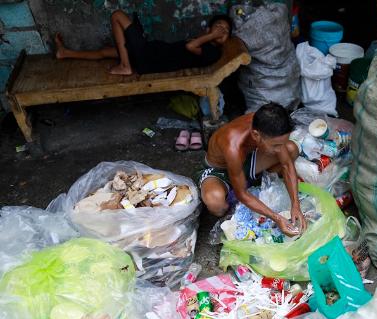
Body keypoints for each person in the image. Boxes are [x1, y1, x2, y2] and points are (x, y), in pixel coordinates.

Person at [199, 103, 307, 237]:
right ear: (256, 135)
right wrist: (277, 218)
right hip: (221, 169)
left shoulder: (266, 124)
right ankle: (242, 188)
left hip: (247, 162)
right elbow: (242, 194)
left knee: (291, 149)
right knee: (216, 203)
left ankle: (253, 182)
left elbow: (286, 164)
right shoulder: (233, 145)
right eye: (276, 145)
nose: (280, 149)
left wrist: (295, 205)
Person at [55, 11, 231, 75]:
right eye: (218, 27)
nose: (221, 31)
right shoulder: (204, 41)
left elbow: (189, 47)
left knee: (117, 15)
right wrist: (210, 34)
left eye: (225, 32)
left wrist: (212, 34)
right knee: (106, 52)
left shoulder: (213, 52)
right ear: (208, 29)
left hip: (150, 59)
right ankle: (65, 53)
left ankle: (125, 66)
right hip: (150, 53)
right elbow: (192, 44)